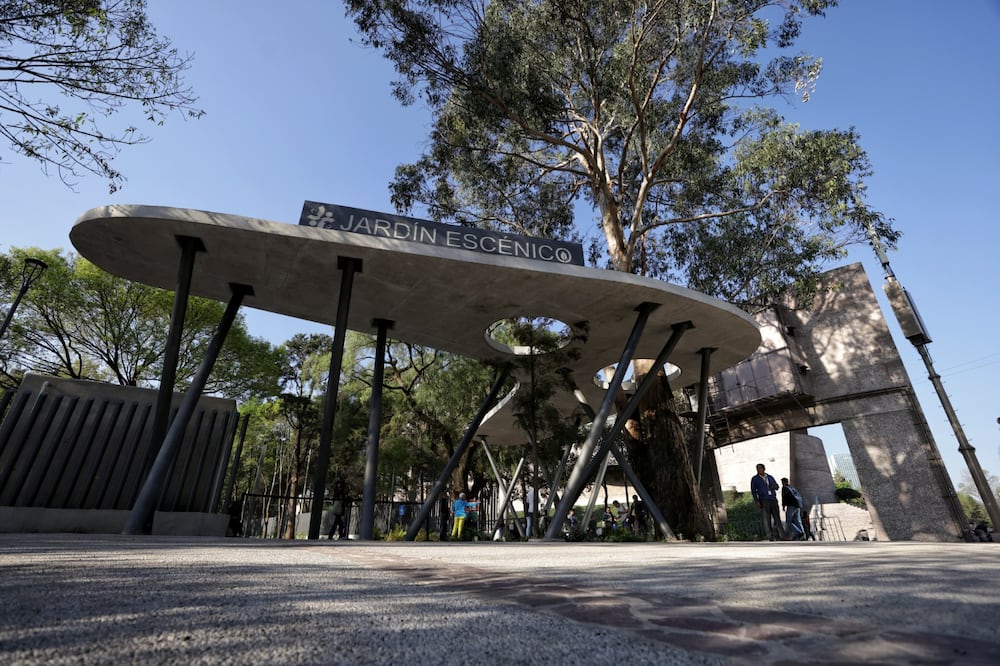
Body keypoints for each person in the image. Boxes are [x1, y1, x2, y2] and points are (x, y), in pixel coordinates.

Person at [750, 463, 785, 541]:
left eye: (760, 468)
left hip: (773, 498)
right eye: (757, 468)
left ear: (764, 469)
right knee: (766, 519)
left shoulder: (770, 477)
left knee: (777, 517)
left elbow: (777, 486)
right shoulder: (755, 479)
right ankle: (770, 536)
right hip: (764, 499)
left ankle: (781, 535)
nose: (759, 470)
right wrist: (756, 500)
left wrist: (773, 486)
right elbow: (753, 490)